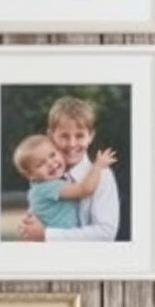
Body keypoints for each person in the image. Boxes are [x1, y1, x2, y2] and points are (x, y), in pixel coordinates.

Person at [18, 96, 120, 243]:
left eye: (80, 136)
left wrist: (46, 235)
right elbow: (37, 215)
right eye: (64, 136)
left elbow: (106, 233)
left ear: (90, 136)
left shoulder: (101, 175)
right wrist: (28, 224)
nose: (72, 144)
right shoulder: (48, 175)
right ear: (51, 135)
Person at [11, 135, 117, 232]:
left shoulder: (38, 188)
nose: (51, 163)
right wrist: (97, 166)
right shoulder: (49, 187)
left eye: (52, 155)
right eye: (41, 163)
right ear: (31, 175)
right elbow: (85, 189)